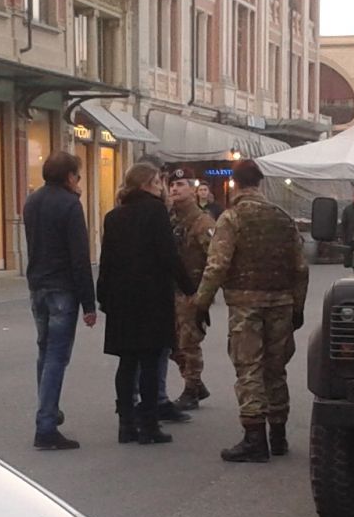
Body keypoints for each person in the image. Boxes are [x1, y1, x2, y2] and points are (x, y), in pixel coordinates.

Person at [191, 159, 310, 462]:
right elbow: (300, 269)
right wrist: (298, 306)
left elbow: (217, 265)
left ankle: (254, 438)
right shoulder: (283, 219)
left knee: (249, 369)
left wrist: (200, 303)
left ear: (235, 184)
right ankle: (279, 435)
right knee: (275, 368)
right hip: (281, 302)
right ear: (259, 184)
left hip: (246, 305)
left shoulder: (232, 218)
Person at [96, 161, 193, 446]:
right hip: (151, 298)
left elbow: (107, 261)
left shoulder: (114, 216)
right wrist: (189, 288)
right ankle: (149, 425)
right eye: (158, 182)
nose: (162, 187)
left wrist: (103, 296)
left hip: (121, 299)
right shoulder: (155, 211)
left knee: (127, 362)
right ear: (147, 184)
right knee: (150, 361)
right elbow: (168, 255)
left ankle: (126, 424)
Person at [23, 151, 97, 451]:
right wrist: (89, 304)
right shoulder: (70, 205)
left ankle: (49, 409)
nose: (79, 181)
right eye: (77, 175)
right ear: (70, 177)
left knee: (44, 351)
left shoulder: (32, 201)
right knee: (57, 356)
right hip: (62, 288)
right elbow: (79, 257)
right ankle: (46, 424)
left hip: (38, 284)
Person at [165, 165, 214, 410]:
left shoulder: (202, 222)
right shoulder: (169, 218)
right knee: (171, 343)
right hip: (170, 290)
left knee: (188, 342)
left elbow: (214, 258)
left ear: (193, 189)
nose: (175, 188)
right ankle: (195, 382)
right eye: (172, 185)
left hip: (191, 291)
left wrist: (205, 294)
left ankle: (191, 389)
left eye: (181, 185)